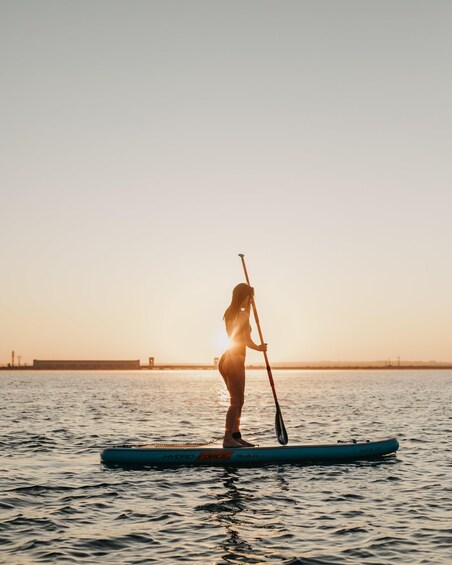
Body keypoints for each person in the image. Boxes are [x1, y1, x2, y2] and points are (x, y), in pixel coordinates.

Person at [218, 283, 267, 448]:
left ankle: (235, 436)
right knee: (236, 400)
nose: (251, 300)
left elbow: (242, 318)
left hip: (225, 359)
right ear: (243, 296)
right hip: (235, 360)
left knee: (240, 399)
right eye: (249, 297)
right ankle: (227, 439)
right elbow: (246, 339)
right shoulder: (243, 316)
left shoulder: (229, 313)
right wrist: (259, 348)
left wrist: (250, 305)